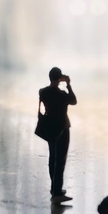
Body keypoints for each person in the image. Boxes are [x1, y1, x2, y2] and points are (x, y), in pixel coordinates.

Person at [38, 67, 76, 203]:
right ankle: (57, 193)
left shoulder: (43, 92)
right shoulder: (62, 94)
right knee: (60, 160)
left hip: (50, 128)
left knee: (52, 157)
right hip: (62, 128)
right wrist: (69, 84)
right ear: (60, 78)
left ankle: (54, 188)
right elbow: (74, 101)